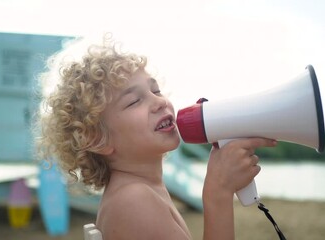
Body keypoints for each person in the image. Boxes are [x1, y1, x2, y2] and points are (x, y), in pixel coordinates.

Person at [36, 34, 277, 240]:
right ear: (99, 139)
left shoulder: (143, 190)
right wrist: (218, 192)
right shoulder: (133, 201)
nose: (159, 102)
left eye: (155, 90)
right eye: (134, 101)